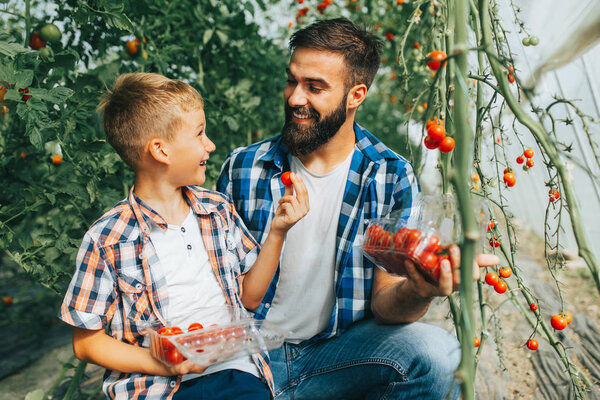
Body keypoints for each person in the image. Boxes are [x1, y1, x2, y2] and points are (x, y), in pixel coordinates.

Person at [217, 18, 500, 399]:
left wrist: (420, 289)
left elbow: (385, 304)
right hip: (247, 356)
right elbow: (214, 286)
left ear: (356, 95)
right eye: (292, 81)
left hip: (333, 357)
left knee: (439, 354)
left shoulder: (388, 174)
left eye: (314, 87)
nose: (294, 98)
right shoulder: (244, 168)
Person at [58, 72, 309, 399]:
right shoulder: (108, 238)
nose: (210, 145)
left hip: (235, 372)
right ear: (161, 151)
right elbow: (87, 342)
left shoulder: (217, 210)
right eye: (200, 133)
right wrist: (164, 363)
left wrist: (278, 232)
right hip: (157, 388)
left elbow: (249, 298)